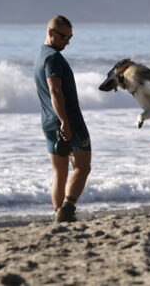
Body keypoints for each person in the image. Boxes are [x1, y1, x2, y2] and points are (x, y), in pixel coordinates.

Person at [34, 15, 91, 222]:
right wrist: (66, 122)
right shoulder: (53, 58)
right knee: (82, 167)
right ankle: (67, 208)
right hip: (68, 120)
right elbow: (55, 90)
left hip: (48, 122)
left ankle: (58, 213)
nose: (67, 42)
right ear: (51, 33)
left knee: (59, 172)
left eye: (70, 38)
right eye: (64, 37)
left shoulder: (41, 56)